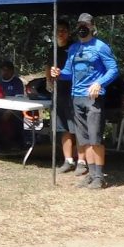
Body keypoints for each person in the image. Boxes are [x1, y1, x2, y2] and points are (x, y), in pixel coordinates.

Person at [61, 13, 119, 189]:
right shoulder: (73, 49)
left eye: (86, 24)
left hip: (93, 98)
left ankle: (99, 177)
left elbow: (113, 69)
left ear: (92, 27)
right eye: (80, 24)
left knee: (95, 138)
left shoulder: (101, 47)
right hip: (76, 97)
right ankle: (91, 174)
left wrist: (99, 83)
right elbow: (68, 72)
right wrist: (58, 74)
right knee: (83, 139)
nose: (82, 27)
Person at [45, 19, 78, 172]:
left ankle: (82, 160)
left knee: (76, 128)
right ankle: (68, 160)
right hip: (58, 93)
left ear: (69, 32)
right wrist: (48, 82)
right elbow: (49, 66)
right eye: (58, 30)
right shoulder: (53, 50)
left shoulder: (74, 47)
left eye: (64, 30)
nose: (61, 33)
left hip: (73, 92)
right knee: (62, 127)